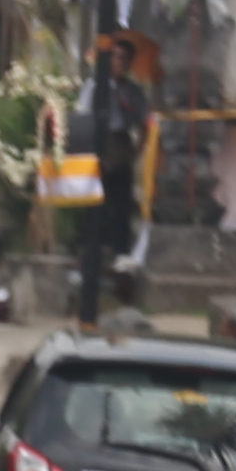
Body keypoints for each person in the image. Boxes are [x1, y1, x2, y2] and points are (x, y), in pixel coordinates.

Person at [68, 35, 155, 331]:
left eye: (125, 58)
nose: (120, 62)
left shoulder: (133, 91)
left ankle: (120, 257)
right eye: (116, 57)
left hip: (121, 147)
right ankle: (89, 255)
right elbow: (82, 118)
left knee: (121, 204)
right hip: (98, 147)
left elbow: (146, 122)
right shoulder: (95, 87)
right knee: (95, 207)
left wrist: (137, 150)